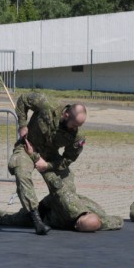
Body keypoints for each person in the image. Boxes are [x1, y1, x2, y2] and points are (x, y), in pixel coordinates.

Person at [9, 92, 87, 235]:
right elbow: (23, 99)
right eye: (74, 125)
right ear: (66, 115)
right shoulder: (47, 104)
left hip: (50, 157)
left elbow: (68, 159)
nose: (75, 129)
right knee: (22, 172)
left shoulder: (77, 136)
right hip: (27, 147)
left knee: (65, 187)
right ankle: (36, 219)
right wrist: (22, 124)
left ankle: (53, 210)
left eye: (78, 126)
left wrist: (48, 166)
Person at [0, 188, 123, 232]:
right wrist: (37, 212)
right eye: (77, 224)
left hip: (52, 220)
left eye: (79, 229)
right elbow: (54, 195)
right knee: (9, 219)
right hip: (45, 212)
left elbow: (118, 221)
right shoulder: (68, 204)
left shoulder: (102, 221)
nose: (75, 228)